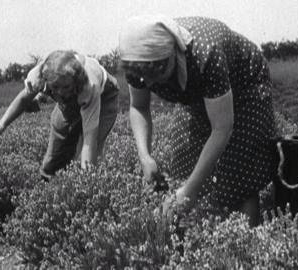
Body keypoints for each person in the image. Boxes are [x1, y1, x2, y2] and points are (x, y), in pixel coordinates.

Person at [119, 15, 277, 225]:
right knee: (185, 158)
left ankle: (247, 241)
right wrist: (145, 156)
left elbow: (222, 129)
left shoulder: (206, 55)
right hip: (200, 92)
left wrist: (189, 191)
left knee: (238, 169)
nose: (147, 82)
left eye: (155, 75)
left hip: (246, 86)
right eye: (142, 78)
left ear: (172, 56)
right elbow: (138, 106)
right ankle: (202, 234)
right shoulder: (138, 64)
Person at [0, 50, 119, 180]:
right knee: (57, 144)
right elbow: (23, 99)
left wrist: (86, 181)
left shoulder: (89, 86)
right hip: (69, 100)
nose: (61, 92)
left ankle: (85, 188)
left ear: (75, 82)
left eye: (66, 87)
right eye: (56, 87)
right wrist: (0, 125)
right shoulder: (39, 76)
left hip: (105, 97)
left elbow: (89, 142)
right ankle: (47, 182)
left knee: (86, 157)